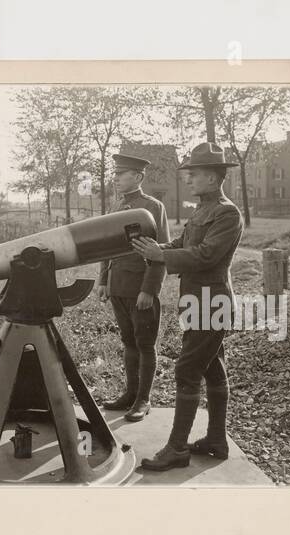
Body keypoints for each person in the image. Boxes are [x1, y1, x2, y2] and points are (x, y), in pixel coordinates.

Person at [130, 142, 244, 471]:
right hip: (198, 300)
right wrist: (153, 247)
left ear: (213, 178)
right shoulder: (201, 210)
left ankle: (177, 448)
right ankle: (216, 440)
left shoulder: (227, 212)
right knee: (211, 366)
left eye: (194, 175)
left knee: (187, 369)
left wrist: (160, 256)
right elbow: (183, 245)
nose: (189, 180)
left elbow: (207, 255)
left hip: (212, 300)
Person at [96, 152, 169, 422]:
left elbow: (160, 250)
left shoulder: (151, 207)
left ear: (137, 177)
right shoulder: (116, 206)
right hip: (118, 285)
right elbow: (106, 245)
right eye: (114, 174)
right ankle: (130, 393)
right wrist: (103, 280)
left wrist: (149, 289)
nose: (114, 178)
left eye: (120, 174)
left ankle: (143, 399)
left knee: (145, 343)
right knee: (128, 342)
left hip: (140, 286)